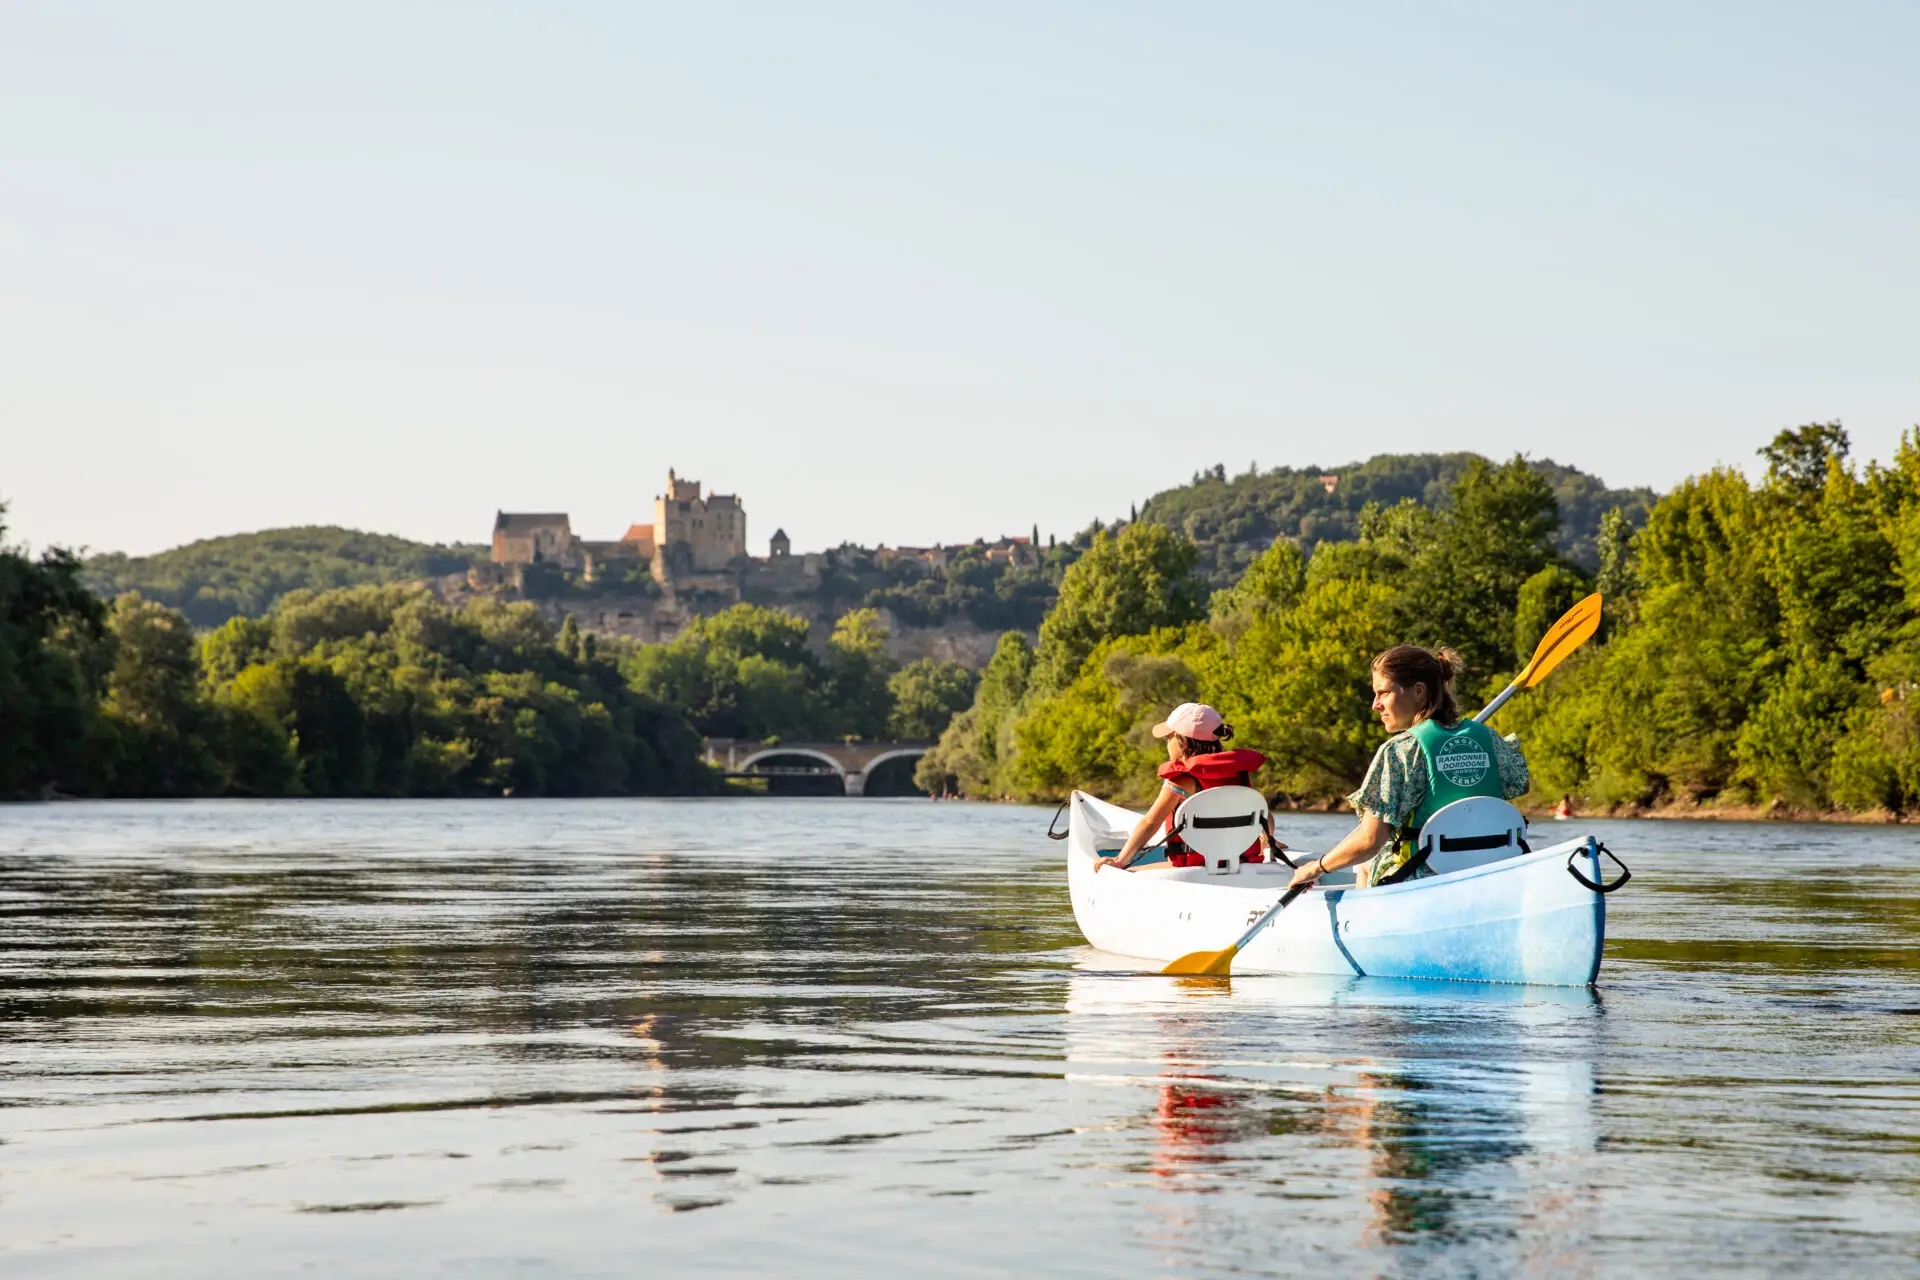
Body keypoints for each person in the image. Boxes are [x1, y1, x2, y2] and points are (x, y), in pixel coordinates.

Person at [1288, 645, 1528, 892]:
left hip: (1422, 879)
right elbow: (1511, 788)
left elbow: (1370, 840)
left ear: (1419, 692)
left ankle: (1363, 923)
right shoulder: (1489, 738)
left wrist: (1316, 867)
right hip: (1490, 872)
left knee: (1365, 863)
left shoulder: (1400, 751)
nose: (1375, 705)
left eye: (1383, 693)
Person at [1097, 702, 1280, 872]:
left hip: (1192, 868)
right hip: (1241, 863)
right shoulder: (1237, 773)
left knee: (1128, 871)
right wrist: (1267, 840)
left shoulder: (1181, 780)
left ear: (1181, 740)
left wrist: (1120, 861)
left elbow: (1151, 822)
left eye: (1168, 737)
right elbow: (1264, 816)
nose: (1167, 743)